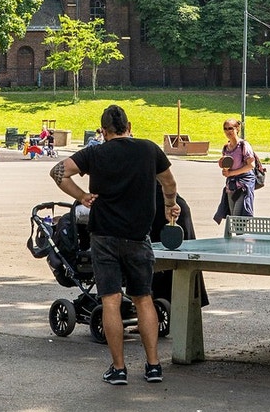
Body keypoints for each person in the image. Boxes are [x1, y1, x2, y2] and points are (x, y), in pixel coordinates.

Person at [50, 104, 179, 386]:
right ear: (129, 126)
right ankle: (154, 366)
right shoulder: (148, 149)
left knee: (110, 300)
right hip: (138, 236)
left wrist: (82, 195)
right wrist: (170, 205)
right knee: (144, 298)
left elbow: (58, 172)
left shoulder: (95, 153)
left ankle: (119, 369)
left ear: (103, 131)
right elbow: (169, 182)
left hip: (104, 237)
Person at [213, 118, 257, 224]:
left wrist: (231, 173)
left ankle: (240, 238)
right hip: (231, 185)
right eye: (225, 129)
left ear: (237, 129)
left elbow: (251, 165)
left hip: (243, 185)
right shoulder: (225, 148)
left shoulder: (243, 145)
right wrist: (225, 172)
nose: (228, 131)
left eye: (230, 128)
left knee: (238, 215)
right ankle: (237, 238)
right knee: (233, 216)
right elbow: (226, 166)